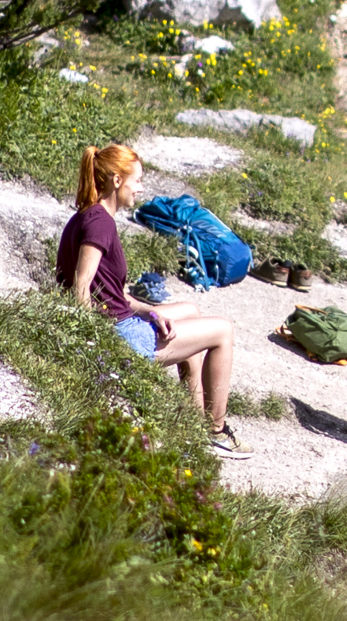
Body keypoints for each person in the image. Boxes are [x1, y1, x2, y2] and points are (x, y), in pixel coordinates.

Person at [56, 143, 244, 453]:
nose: (141, 189)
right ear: (117, 180)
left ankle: (191, 423)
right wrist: (93, 344)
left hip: (119, 319)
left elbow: (112, 294)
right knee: (223, 331)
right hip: (120, 335)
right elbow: (81, 285)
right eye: (138, 180)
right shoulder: (100, 223)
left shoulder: (88, 216)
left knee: (190, 310)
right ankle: (216, 430)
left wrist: (151, 311)